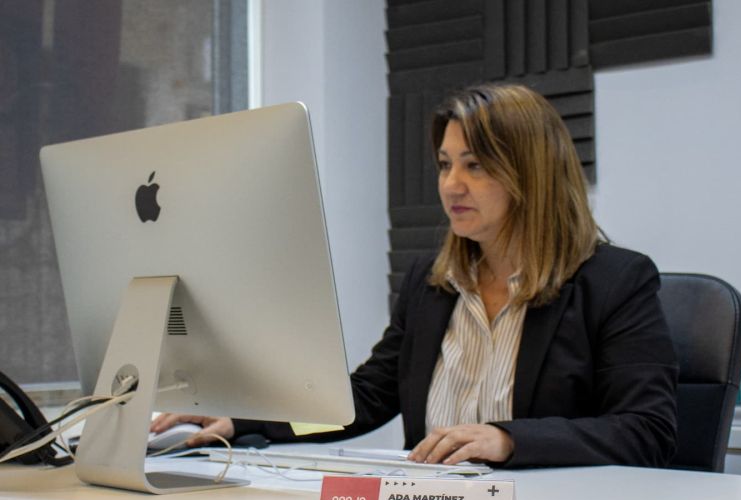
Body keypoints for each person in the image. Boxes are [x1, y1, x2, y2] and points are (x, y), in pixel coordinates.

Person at [152, 83, 678, 468]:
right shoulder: (432, 282)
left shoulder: (616, 281)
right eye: (445, 164)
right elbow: (364, 401)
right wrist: (245, 421)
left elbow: (646, 431)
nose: (451, 184)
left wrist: (509, 440)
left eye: (474, 165)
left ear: (532, 174)